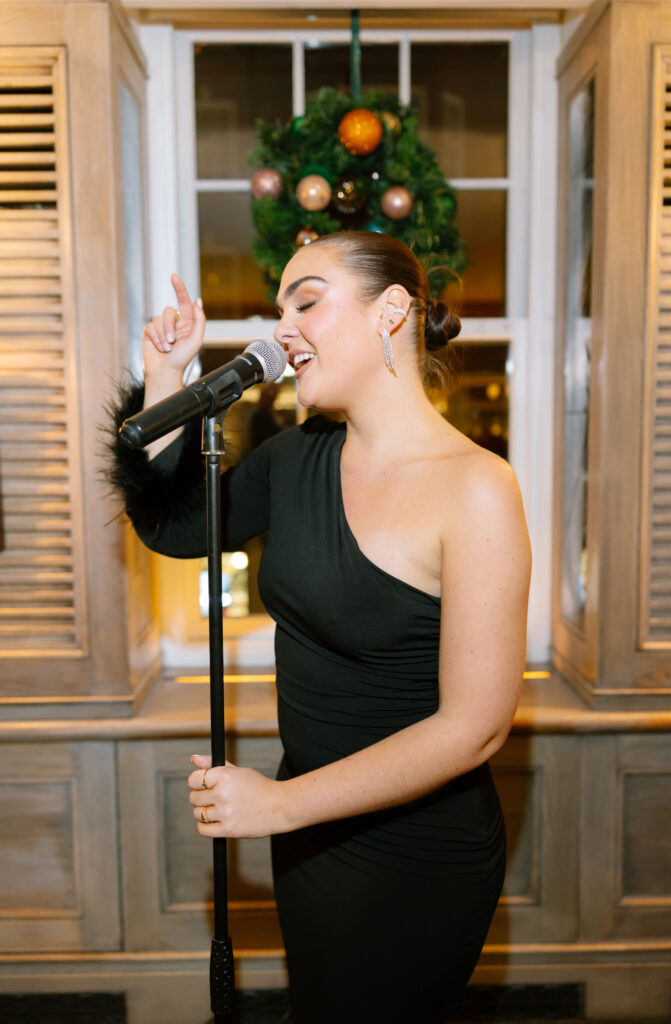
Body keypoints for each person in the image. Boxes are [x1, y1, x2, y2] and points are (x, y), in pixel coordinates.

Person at [109, 230, 531, 1024]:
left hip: (416, 854)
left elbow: (473, 729)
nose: (281, 331)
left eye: (306, 301)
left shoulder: (476, 488)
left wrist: (275, 806)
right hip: (309, 838)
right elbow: (172, 528)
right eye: (279, 311)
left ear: (392, 312)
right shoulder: (297, 457)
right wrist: (167, 374)